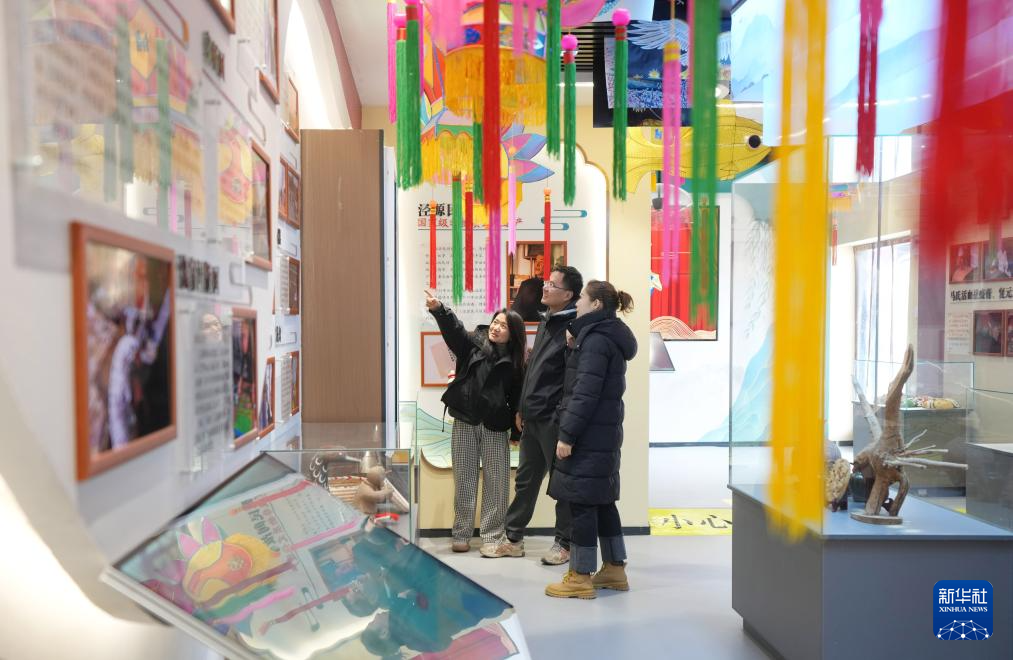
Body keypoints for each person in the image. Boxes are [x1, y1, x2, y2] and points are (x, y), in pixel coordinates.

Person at [545, 280, 637, 599]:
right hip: (603, 435)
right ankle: (614, 569)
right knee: (603, 502)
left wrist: (567, 435)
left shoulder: (596, 340)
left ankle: (580, 577)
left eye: (582, 298)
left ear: (596, 304)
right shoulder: (605, 335)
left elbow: (584, 392)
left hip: (587, 436)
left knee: (582, 504)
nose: (578, 303)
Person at [485, 266, 583, 563]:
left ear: (568, 294)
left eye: (552, 285)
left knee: (561, 484)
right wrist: (521, 407)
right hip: (532, 417)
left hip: (555, 419)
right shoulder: (545, 321)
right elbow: (533, 371)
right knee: (526, 481)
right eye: (546, 283)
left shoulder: (574, 328)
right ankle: (513, 539)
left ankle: (564, 544)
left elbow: (573, 380)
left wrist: (563, 418)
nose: (545, 288)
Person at [425, 290, 526, 555]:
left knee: (497, 483)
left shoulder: (516, 361)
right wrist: (440, 310)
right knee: (465, 480)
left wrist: (516, 431)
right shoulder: (472, 343)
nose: (496, 328)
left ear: (513, 334)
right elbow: (454, 331)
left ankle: (492, 536)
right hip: (465, 420)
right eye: (495, 322)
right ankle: (461, 534)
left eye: (503, 326)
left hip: (495, 425)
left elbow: (517, 398)